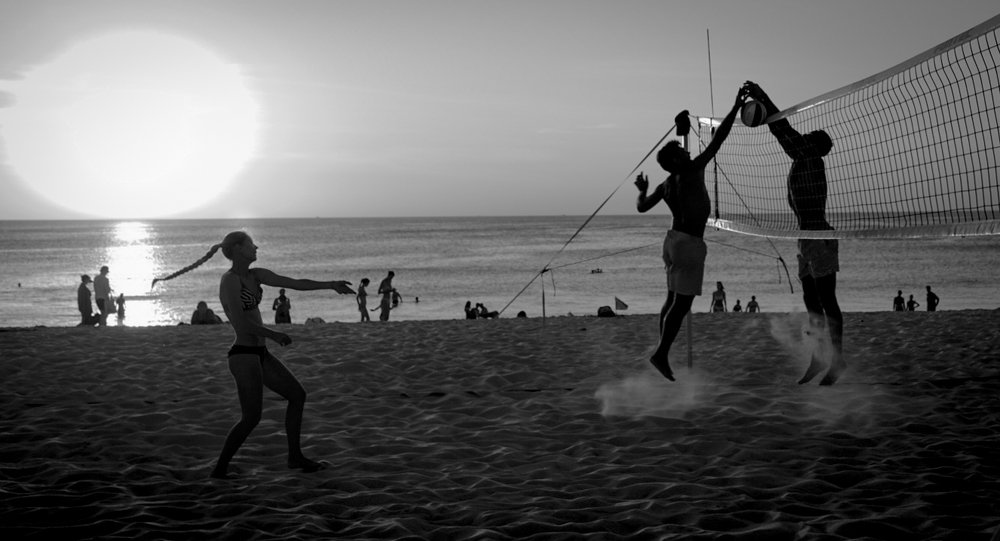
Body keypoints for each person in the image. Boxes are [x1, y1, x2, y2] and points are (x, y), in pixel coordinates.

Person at [150, 231, 354, 479]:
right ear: (237, 249)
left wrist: (331, 285)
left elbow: (294, 282)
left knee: (297, 396)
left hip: (260, 353)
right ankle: (220, 469)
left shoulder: (256, 275)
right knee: (251, 418)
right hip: (243, 355)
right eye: (250, 244)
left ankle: (294, 457)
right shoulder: (230, 280)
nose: (256, 247)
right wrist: (273, 334)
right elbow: (240, 323)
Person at [635, 86, 749, 381]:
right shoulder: (690, 170)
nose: (687, 151)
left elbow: (642, 207)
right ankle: (661, 353)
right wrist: (736, 105)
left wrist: (643, 190)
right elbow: (718, 140)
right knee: (682, 304)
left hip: (672, 241)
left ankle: (662, 350)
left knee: (671, 298)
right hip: (688, 243)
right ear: (676, 161)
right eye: (681, 151)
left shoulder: (666, 183)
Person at [746, 81, 844, 385]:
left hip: (819, 236)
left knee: (827, 300)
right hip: (804, 237)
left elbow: (782, 129)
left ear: (816, 145)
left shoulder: (810, 158)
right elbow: (785, 132)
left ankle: (837, 361)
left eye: (811, 136)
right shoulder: (803, 159)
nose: (806, 136)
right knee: (810, 301)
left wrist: (763, 97)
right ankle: (818, 356)